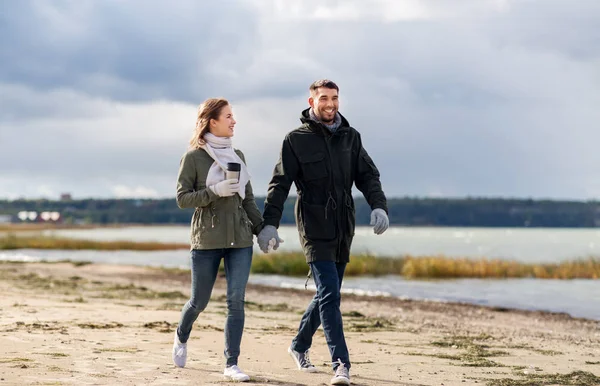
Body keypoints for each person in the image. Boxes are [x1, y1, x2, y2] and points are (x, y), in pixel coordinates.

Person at [257, 79, 389, 386]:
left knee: (328, 293)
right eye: (324, 98)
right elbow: (280, 184)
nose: (330, 104)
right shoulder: (295, 139)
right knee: (330, 294)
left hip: (344, 225)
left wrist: (378, 205)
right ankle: (341, 365)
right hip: (313, 225)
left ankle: (299, 344)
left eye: (335, 98)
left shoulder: (350, 137)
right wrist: (269, 224)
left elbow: (368, 175)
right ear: (312, 101)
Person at [173, 97, 264, 382]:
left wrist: (263, 230)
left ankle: (231, 363)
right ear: (212, 121)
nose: (234, 121)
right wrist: (215, 191)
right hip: (206, 240)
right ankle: (181, 335)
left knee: (236, 300)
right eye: (228, 116)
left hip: (240, 239)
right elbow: (182, 199)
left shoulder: (239, 156)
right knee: (199, 301)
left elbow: (248, 200)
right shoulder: (193, 158)